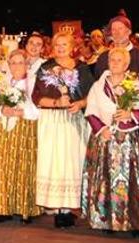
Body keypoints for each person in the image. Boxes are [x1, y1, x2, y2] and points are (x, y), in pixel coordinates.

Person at [32, 31, 95, 228]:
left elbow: (92, 95)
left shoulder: (82, 68)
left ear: (72, 47)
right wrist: (56, 102)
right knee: (54, 162)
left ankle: (69, 208)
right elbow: (36, 97)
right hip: (51, 121)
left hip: (73, 120)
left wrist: (80, 104)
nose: (60, 48)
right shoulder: (46, 68)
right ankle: (57, 207)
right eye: (57, 44)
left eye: (64, 44)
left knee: (71, 161)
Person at [81, 47, 139, 237]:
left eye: (119, 60)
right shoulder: (98, 86)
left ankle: (133, 221)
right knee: (105, 179)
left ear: (126, 64)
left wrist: (131, 114)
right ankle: (106, 220)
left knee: (131, 179)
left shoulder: (134, 85)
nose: (115, 63)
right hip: (105, 138)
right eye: (112, 60)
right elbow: (91, 111)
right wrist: (102, 129)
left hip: (127, 140)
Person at [0, 49, 40, 223]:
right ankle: (3, 208)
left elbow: (39, 107)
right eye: (13, 63)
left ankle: (25, 208)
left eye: (20, 62)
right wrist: (2, 109)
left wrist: (22, 111)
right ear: (8, 65)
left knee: (24, 165)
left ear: (27, 64)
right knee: (3, 166)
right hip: (4, 129)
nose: (17, 66)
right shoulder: (2, 84)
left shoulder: (33, 82)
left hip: (26, 128)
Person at [93, 12, 139, 80]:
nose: (117, 33)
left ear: (129, 31)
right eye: (114, 29)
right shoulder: (103, 58)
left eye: (120, 28)